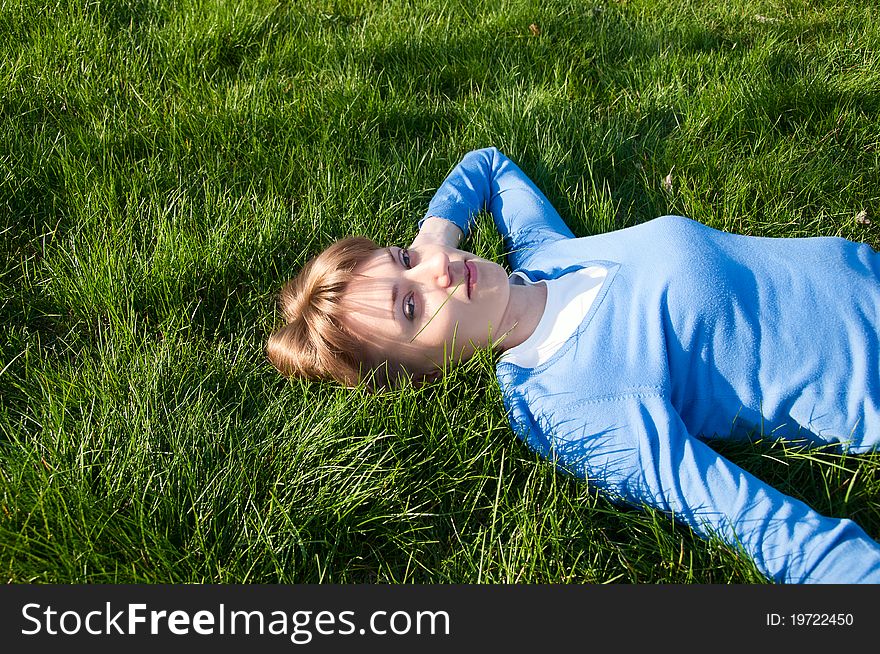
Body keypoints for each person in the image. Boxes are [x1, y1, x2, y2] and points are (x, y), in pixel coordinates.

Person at [267, 146, 880, 584]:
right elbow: (730, 510)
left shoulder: (549, 256)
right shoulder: (570, 405)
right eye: (409, 304)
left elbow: (488, 164)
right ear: (427, 368)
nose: (436, 272)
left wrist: (435, 232)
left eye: (402, 258)